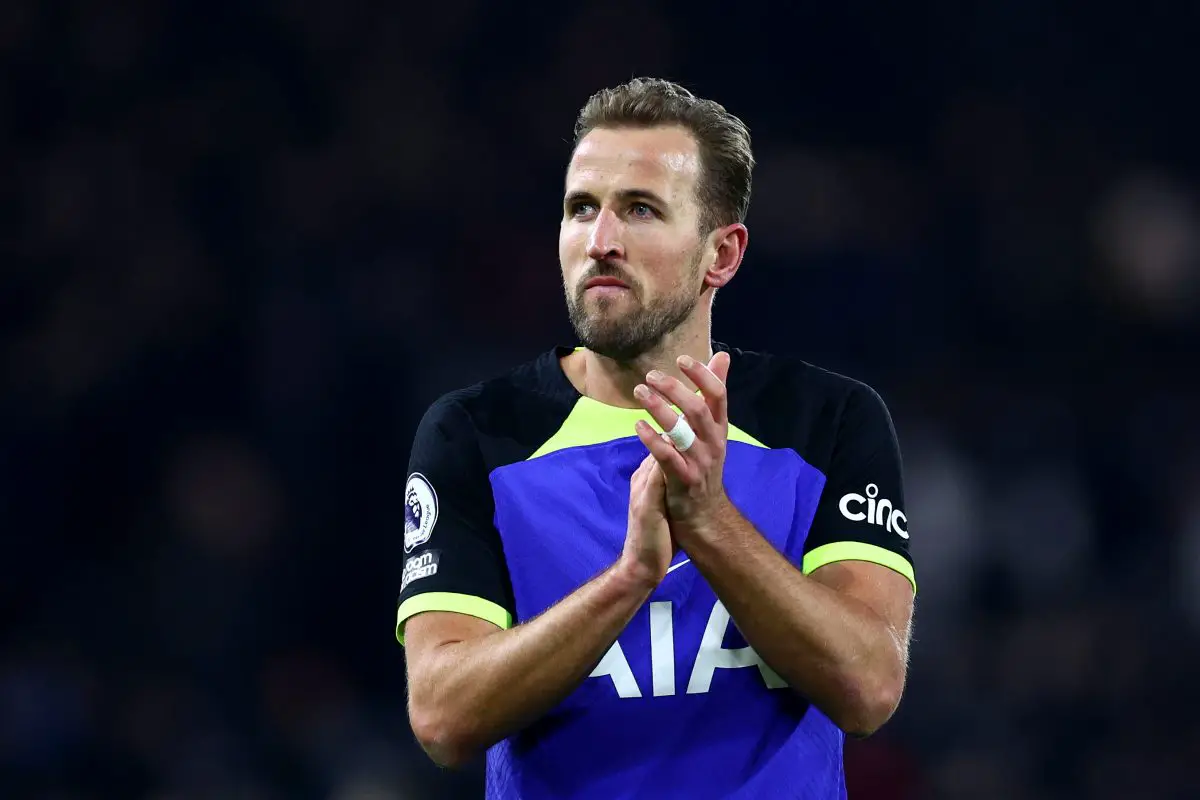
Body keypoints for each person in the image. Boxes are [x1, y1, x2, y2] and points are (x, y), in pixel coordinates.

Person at [397, 77, 916, 800]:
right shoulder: (478, 434)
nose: (601, 242)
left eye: (640, 210)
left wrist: (709, 522)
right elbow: (443, 716)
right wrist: (628, 581)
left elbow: (867, 686)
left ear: (722, 254)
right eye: (582, 210)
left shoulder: (824, 421)